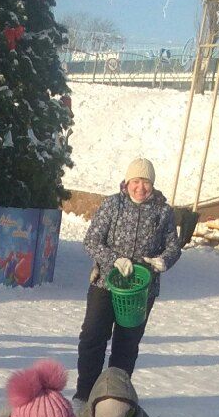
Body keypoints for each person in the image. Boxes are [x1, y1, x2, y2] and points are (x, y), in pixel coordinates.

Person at [75, 157, 181, 403]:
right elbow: (92, 241)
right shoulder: (112, 204)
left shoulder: (163, 211)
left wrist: (163, 260)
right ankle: (85, 393)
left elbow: (173, 246)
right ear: (127, 182)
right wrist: (114, 260)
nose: (140, 187)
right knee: (92, 337)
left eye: (145, 182)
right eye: (135, 181)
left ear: (152, 184)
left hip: (140, 290)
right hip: (105, 285)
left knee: (127, 344)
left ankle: (115, 396)